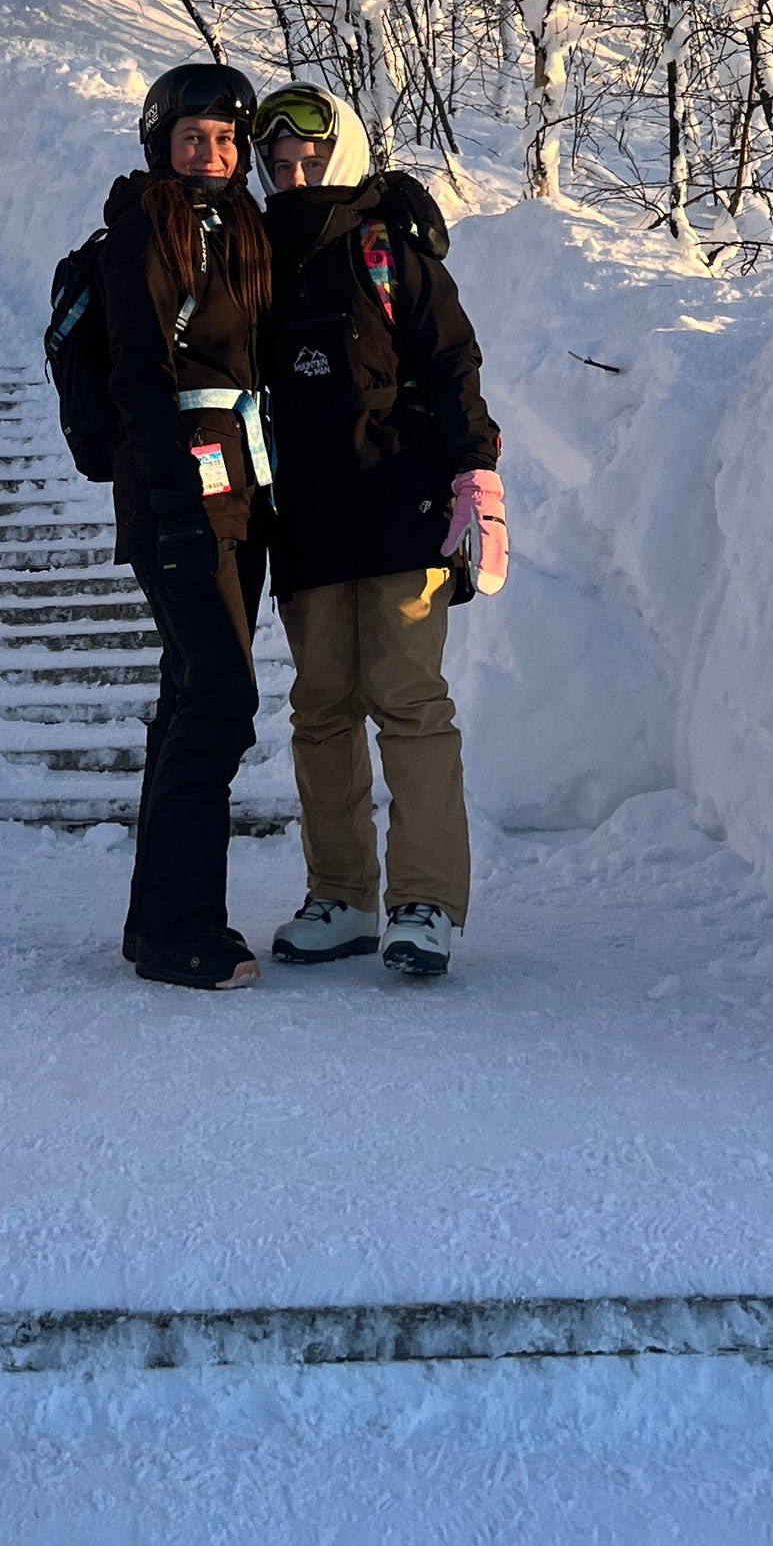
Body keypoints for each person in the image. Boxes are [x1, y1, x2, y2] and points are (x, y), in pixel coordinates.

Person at [252, 83, 505, 983]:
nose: (294, 176)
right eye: (278, 165)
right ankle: (343, 894)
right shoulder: (262, 258)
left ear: (346, 152)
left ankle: (425, 900)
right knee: (320, 709)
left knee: (409, 701)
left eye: (309, 160)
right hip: (310, 520)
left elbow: (450, 359)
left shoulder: (388, 243)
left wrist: (475, 472)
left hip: (402, 510)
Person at [100, 60, 274, 990]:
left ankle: (156, 921)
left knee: (189, 699)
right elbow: (139, 380)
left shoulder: (235, 229)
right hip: (184, 498)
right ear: (161, 145)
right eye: (191, 137)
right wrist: (172, 509)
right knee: (220, 700)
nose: (211, 153)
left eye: (224, 138)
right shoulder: (147, 235)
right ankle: (180, 928)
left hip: (240, 494)